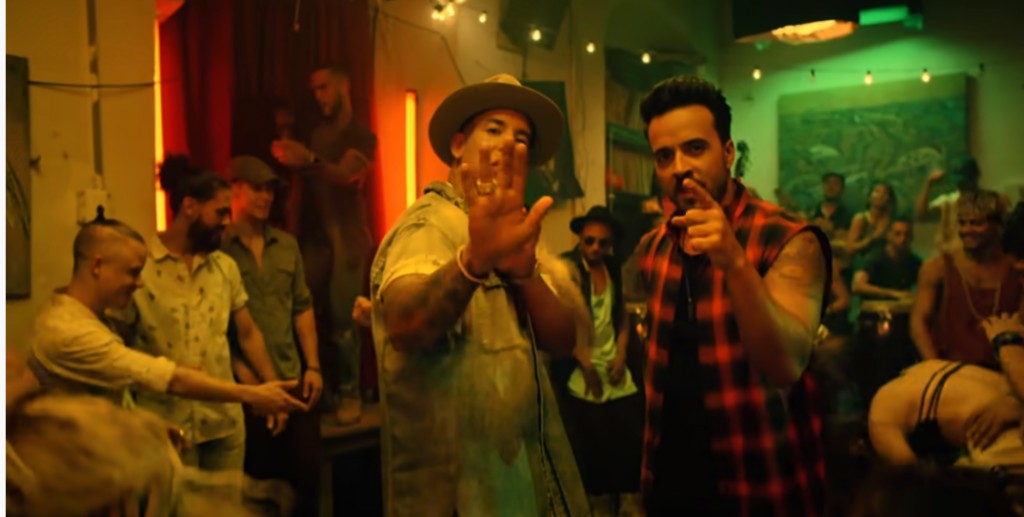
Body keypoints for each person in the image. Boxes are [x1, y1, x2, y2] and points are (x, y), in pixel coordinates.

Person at [369, 73, 588, 516]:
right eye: (494, 129)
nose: (508, 143)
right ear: (457, 145)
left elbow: (564, 340)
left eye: (521, 137)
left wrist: (525, 273)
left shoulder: (515, 232)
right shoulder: (429, 224)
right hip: (455, 497)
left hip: (523, 482)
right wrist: (473, 262)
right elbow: (404, 325)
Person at [633, 76, 830, 515]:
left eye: (694, 148)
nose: (679, 167)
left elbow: (786, 365)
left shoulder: (789, 239)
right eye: (664, 156)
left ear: (727, 153)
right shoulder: (654, 248)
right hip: (670, 483)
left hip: (759, 480)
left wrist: (735, 263)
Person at [28, 218, 305, 415]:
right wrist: (254, 394)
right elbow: (170, 379)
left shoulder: (91, 317)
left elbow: (110, 397)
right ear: (97, 266)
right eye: (133, 272)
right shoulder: (69, 331)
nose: (139, 283)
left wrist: (151, 428)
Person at [123, 157, 287, 471]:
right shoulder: (141, 266)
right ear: (190, 207)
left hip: (223, 422)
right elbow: (120, 344)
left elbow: (248, 333)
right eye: (220, 212)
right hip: (163, 426)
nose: (227, 222)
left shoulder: (224, 267)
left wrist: (272, 388)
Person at [271, 64, 377, 423]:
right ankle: (325, 391)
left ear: (343, 86)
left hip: (347, 239)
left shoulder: (359, 134)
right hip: (314, 237)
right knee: (310, 315)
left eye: (324, 87)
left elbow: (347, 174)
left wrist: (309, 158)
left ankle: (350, 392)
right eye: (314, 90)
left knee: (344, 319)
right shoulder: (317, 133)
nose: (319, 96)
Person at [220, 155, 322, 515]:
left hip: (292, 378)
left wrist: (313, 366)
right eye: (257, 189)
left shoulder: (286, 244)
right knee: (258, 488)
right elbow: (219, 329)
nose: (266, 197)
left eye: (270, 190)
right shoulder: (219, 249)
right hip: (246, 387)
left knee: (305, 483)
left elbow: (302, 306)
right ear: (234, 190)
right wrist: (250, 382)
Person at [558, 205, 643, 516]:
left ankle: (628, 500)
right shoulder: (568, 270)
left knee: (627, 436)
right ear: (580, 239)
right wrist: (584, 363)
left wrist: (621, 354)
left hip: (613, 361)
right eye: (589, 241)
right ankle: (599, 503)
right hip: (582, 364)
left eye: (602, 243)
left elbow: (623, 315)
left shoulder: (614, 268)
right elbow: (561, 323)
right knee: (593, 442)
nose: (595, 248)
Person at [911, 190, 1022, 367]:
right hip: (950, 371)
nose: (966, 230)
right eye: (962, 223)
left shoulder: (1016, 270)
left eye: (976, 223)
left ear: (997, 225)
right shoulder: (938, 268)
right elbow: (919, 322)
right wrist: (935, 367)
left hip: (1004, 372)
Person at [868, 359, 1024, 468]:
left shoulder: (879, 419)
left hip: (1000, 432)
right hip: (1017, 394)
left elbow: (913, 480)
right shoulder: (921, 368)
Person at [851, 217, 923, 401]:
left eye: (906, 235)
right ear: (889, 236)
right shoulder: (875, 258)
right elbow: (857, 285)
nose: (902, 239)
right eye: (897, 234)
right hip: (875, 319)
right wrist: (893, 294)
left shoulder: (913, 261)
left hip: (903, 319)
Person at [915, 158, 983, 253]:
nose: (962, 185)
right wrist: (929, 183)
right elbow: (921, 213)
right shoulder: (949, 202)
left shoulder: (986, 202)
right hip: (950, 255)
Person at [846, 181, 896, 260]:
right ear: (870, 196)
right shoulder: (861, 218)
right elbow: (850, 248)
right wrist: (872, 238)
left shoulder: (892, 221)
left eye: (885, 193)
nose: (881, 195)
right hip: (863, 261)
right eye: (877, 191)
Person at [812, 172, 852, 242]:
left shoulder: (848, 214)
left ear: (842, 189)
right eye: (827, 183)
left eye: (835, 184)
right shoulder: (813, 210)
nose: (831, 187)